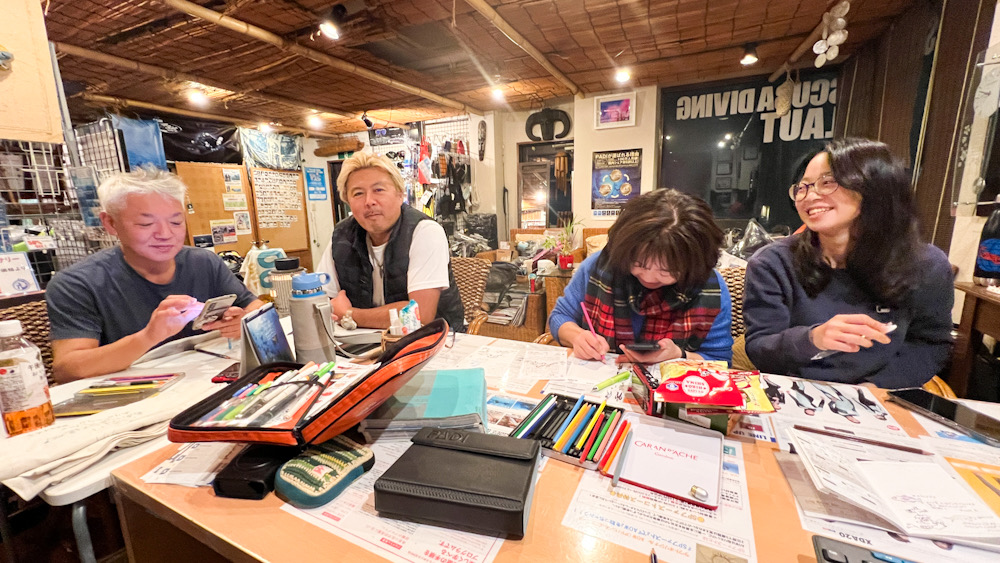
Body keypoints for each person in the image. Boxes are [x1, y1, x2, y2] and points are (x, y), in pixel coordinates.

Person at [744, 138, 954, 388]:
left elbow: (930, 343)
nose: (809, 196)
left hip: (882, 397)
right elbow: (760, 348)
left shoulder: (926, 265)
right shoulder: (773, 263)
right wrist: (813, 338)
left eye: (827, 183)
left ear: (875, 187)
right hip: (794, 390)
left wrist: (877, 387)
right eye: (802, 187)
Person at [46, 168, 262, 382]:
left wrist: (242, 321)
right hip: (130, 395)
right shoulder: (77, 283)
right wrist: (150, 336)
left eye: (176, 222)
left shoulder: (204, 262)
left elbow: (256, 309)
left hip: (206, 381)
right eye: (146, 224)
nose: (165, 234)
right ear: (111, 223)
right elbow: (68, 369)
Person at [548, 189, 733, 364]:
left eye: (667, 271)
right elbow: (561, 316)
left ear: (693, 264)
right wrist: (577, 337)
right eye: (638, 263)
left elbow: (720, 360)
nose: (649, 277)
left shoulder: (709, 289)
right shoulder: (601, 266)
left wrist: (679, 355)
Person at [316, 152, 464, 330]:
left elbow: (419, 316)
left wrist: (349, 314)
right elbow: (322, 302)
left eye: (378, 190)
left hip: (433, 343)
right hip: (363, 344)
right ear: (348, 201)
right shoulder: (342, 236)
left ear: (399, 194)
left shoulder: (425, 232)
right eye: (358, 194)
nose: (369, 201)